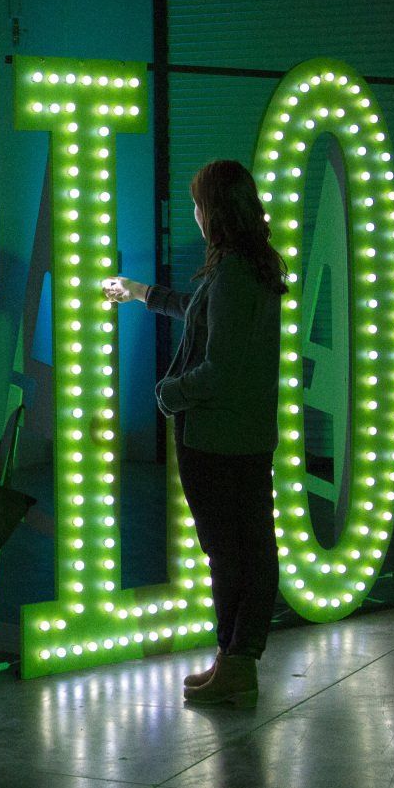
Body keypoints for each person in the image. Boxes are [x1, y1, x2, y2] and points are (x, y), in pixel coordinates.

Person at [103, 158, 286, 706]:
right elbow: (203, 316)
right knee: (246, 549)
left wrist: (168, 393)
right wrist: (142, 293)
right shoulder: (252, 266)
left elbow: (221, 368)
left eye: (197, 205)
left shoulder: (231, 271)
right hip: (246, 435)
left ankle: (238, 662)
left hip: (215, 437)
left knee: (231, 553)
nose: (195, 215)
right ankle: (234, 660)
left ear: (215, 211)